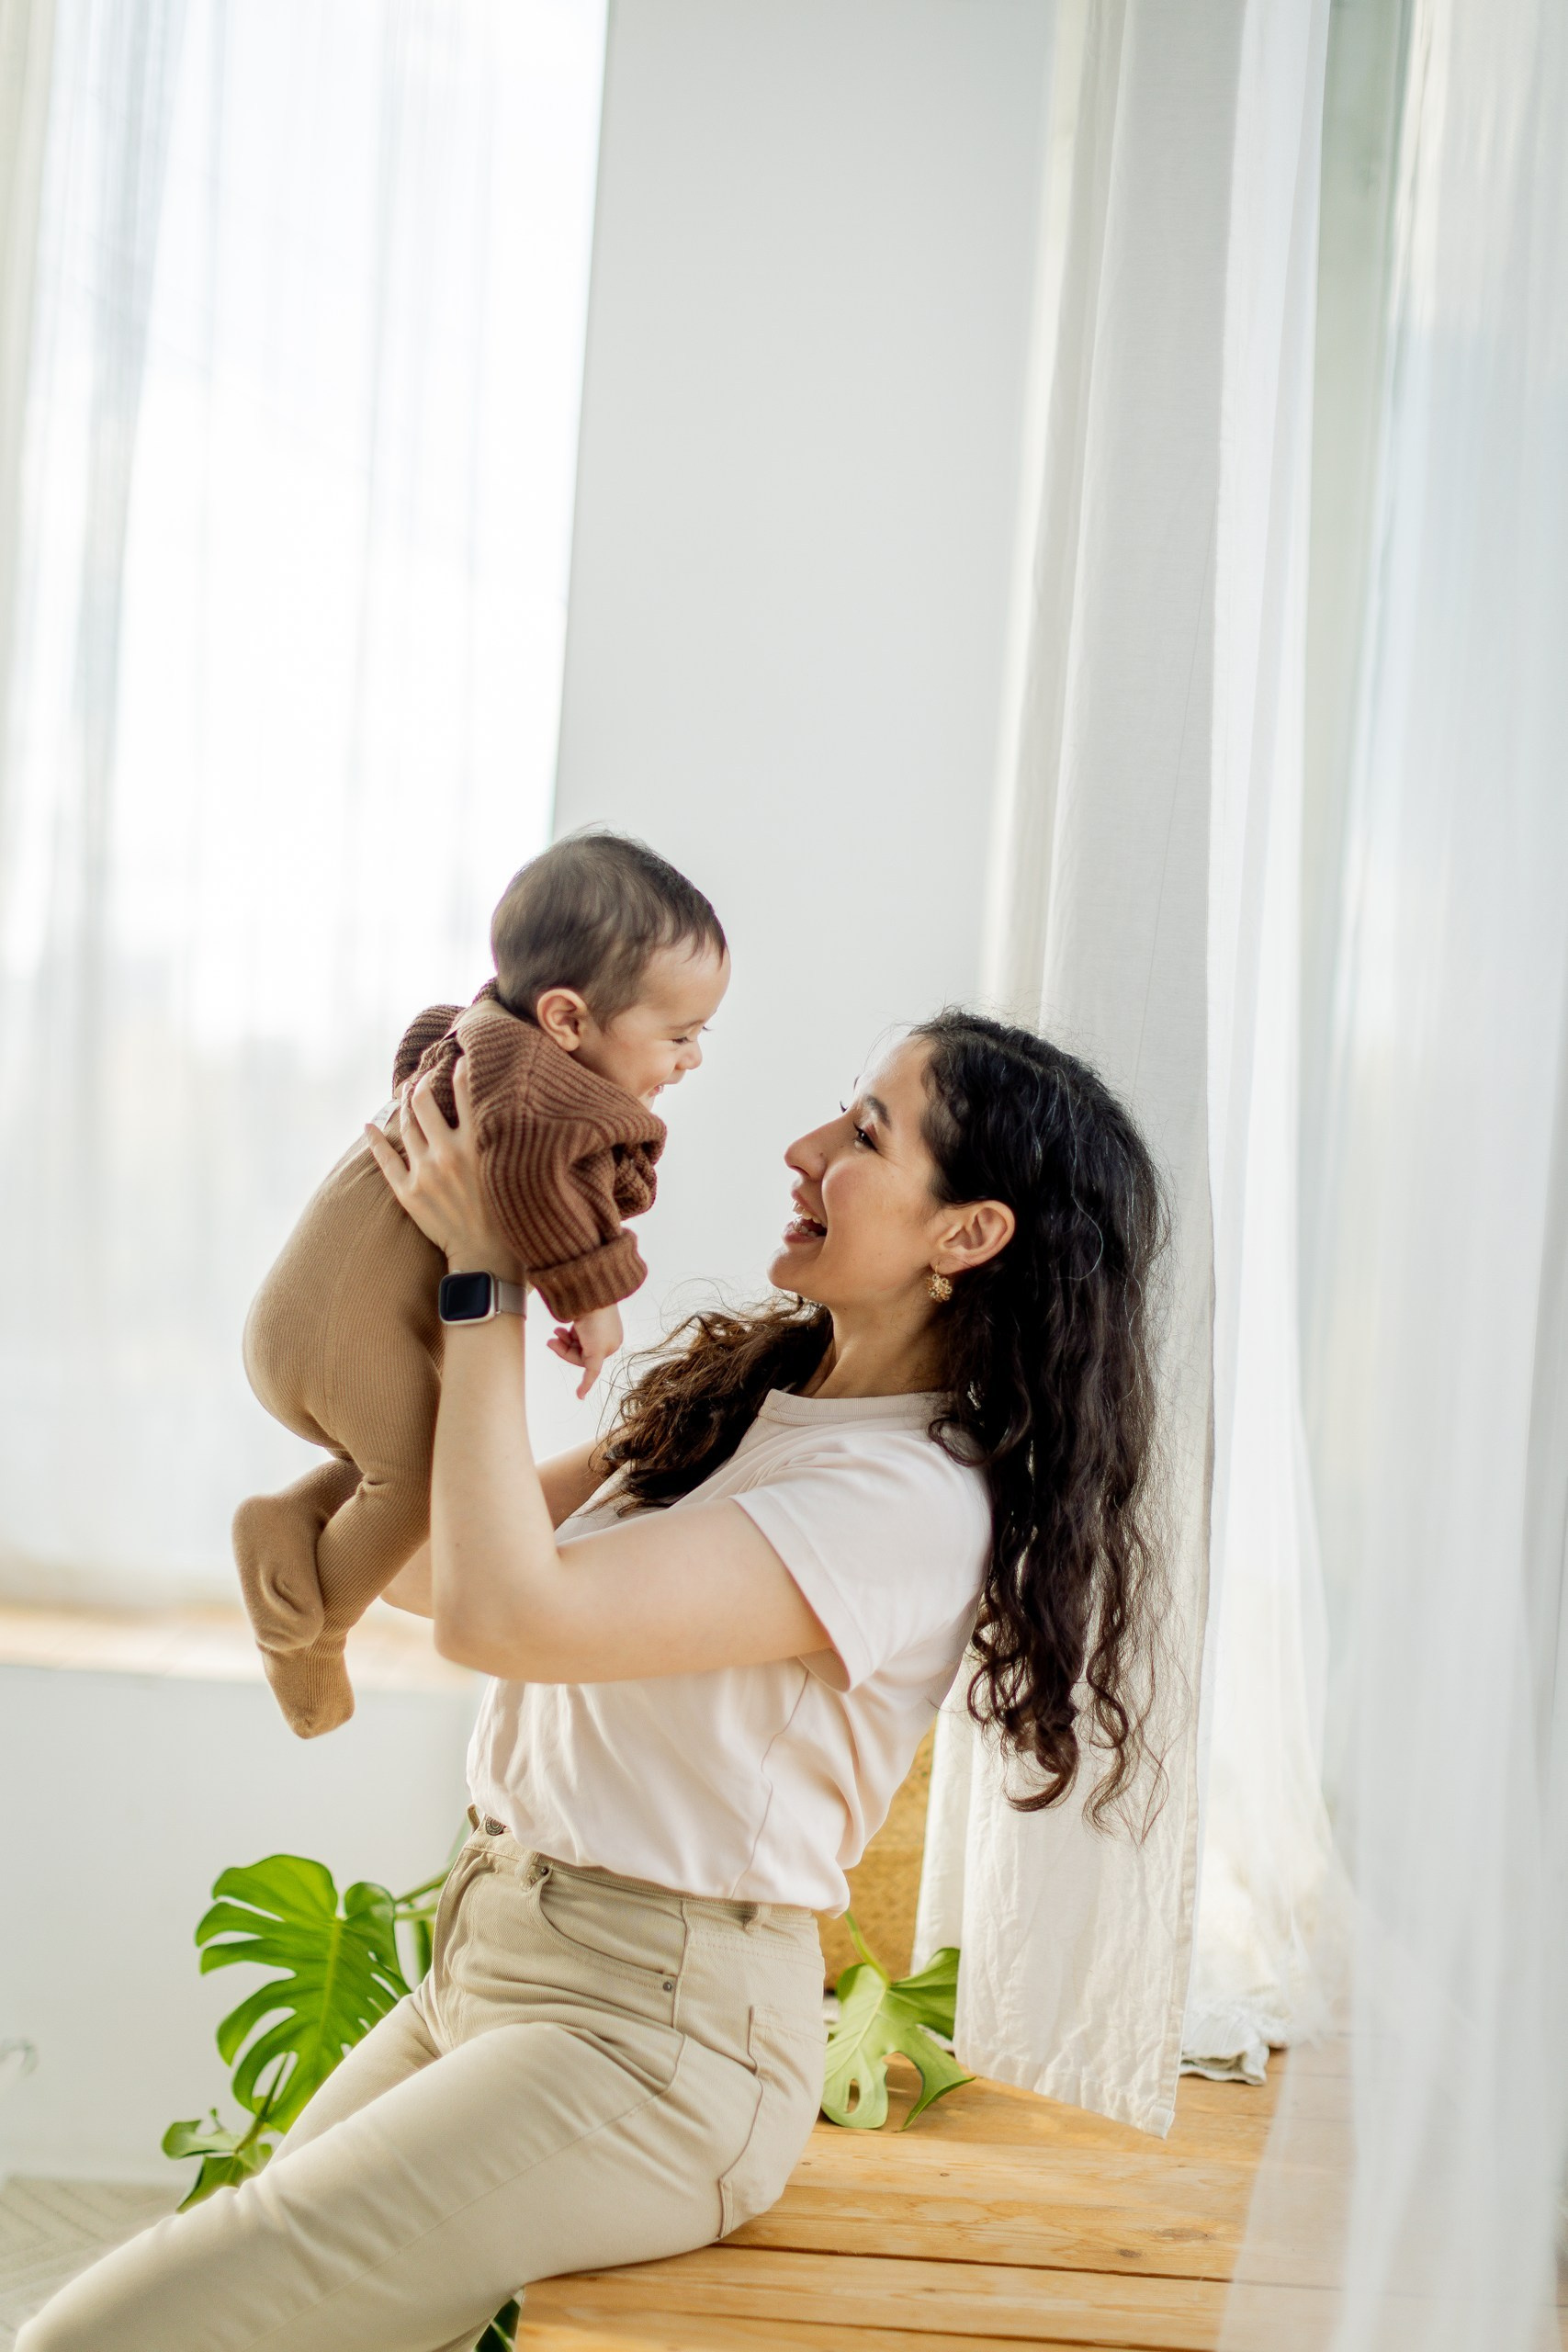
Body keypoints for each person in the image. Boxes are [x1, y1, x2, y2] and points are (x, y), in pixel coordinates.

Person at [19, 1010, 1167, 2352]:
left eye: (863, 1135)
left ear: (965, 1235)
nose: (801, 1152)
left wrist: (484, 1272)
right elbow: (439, 1571)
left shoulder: (902, 1498)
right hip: (489, 1955)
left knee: (111, 2334)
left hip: (655, 2035)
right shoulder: (751, 1401)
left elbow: (507, 1620)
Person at [232, 830, 728, 1735]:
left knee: (416, 1471)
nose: (692, 1058)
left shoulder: (489, 1043)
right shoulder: (534, 1096)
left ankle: (290, 1518)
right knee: (427, 1477)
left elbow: (422, 1037)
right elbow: (535, 1179)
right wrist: (594, 1298)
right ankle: (309, 1629)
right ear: (570, 1020)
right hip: (335, 1333)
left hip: (320, 1319)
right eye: (680, 1034)